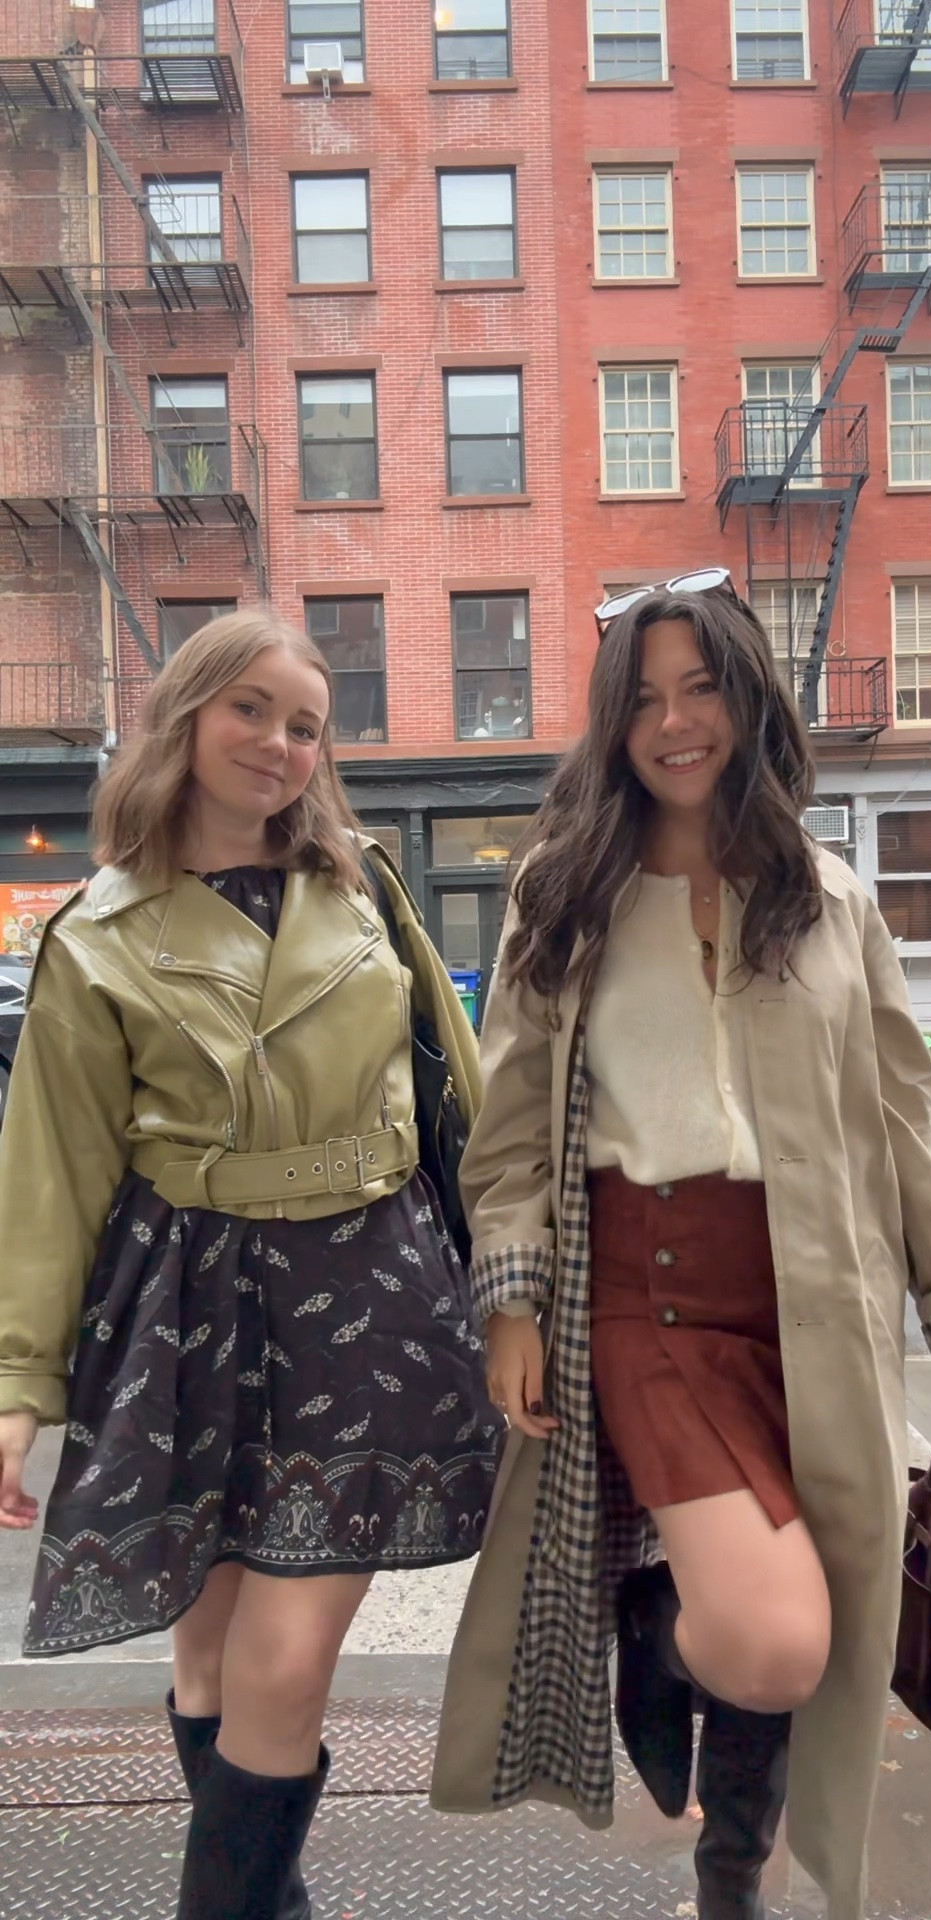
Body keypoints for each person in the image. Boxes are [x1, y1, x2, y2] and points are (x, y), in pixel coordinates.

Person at [430, 576, 931, 1920]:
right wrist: (511, 1300)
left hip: (814, 1312)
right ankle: (657, 1633)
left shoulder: (829, 898)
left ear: (749, 698)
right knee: (771, 1640)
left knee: (807, 1624)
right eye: (643, 698)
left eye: (700, 687)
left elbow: (893, 1121)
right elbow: (511, 1122)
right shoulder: (562, 894)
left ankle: (730, 1880)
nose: (675, 722)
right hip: (647, 1304)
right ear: (612, 724)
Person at [0, 609, 501, 1920]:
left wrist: (518, 1282)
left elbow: (464, 1096)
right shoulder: (97, 934)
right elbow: (53, 1174)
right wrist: (18, 1388)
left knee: (281, 1672)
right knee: (213, 1660)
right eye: (252, 710)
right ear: (185, 713)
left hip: (372, 1291)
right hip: (187, 1304)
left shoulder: (364, 886)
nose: (280, 744)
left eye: (306, 726)